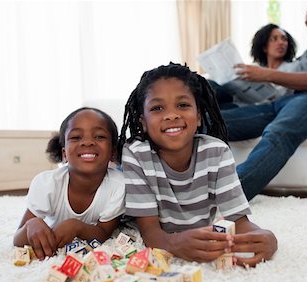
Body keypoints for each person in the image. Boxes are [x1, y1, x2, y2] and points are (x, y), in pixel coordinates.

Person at [117, 62, 277, 267]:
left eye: (183, 105)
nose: (172, 115)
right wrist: (173, 243)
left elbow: (240, 223)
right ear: (143, 123)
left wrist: (267, 238)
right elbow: (151, 234)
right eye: (157, 108)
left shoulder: (217, 152)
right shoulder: (136, 153)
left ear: (199, 115)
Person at [220, 3, 307, 201]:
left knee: (278, 133)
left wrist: (267, 74)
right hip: (281, 102)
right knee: (217, 121)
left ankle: (228, 196)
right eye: (306, 23)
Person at [13, 107, 125, 260]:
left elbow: (104, 234)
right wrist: (31, 224)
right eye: (76, 137)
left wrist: (76, 226)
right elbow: (17, 240)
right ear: (64, 154)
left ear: (113, 152)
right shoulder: (46, 184)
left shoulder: (118, 185)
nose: (87, 142)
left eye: (99, 136)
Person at [209, 23, 297, 108]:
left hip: (264, 109)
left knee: (216, 114)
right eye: (274, 39)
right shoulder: (255, 68)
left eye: (284, 39)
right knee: (210, 85)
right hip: (241, 104)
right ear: (264, 47)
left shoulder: (292, 68)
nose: (281, 42)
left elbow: (281, 96)